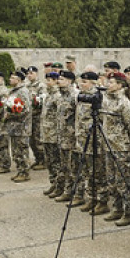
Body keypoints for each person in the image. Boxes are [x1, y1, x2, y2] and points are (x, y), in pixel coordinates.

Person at [102, 72, 130, 226]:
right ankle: (117, 208)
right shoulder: (108, 102)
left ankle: (129, 212)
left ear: (120, 85)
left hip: (122, 148)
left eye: (111, 82)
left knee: (124, 182)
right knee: (111, 181)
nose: (108, 85)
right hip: (109, 147)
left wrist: (125, 142)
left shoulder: (125, 104)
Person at [76, 71, 108, 213]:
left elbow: (102, 120)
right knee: (87, 172)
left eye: (85, 82)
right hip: (83, 141)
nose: (82, 84)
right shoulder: (83, 97)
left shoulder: (98, 97)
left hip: (95, 141)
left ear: (93, 83)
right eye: (81, 81)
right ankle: (91, 199)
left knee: (98, 172)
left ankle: (102, 201)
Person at [53, 71, 82, 204]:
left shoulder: (75, 96)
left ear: (70, 81)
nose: (58, 81)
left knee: (74, 168)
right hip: (62, 137)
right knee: (64, 166)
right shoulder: (60, 96)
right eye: (59, 78)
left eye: (62, 79)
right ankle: (66, 190)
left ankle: (77, 194)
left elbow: (79, 118)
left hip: (72, 139)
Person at [1, 71, 33, 182]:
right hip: (14, 127)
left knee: (22, 151)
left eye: (13, 78)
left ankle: (24, 172)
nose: (10, 79)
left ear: (18, 80)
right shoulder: (13, 91)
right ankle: (20, 170)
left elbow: (25, 110)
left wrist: (10, 114)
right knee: (16, 152)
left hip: (21, 127)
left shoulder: (23, 91)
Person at [40, 72, 63, 197]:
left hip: (54, 134)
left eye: (49, 80)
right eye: (46, 80)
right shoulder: (48, 95)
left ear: (55, 81)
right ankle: (53, 183)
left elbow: (60, 116)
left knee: (56, 162)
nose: (47, 82)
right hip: (46, 133)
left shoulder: (58, 96)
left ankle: (59, 186)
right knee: (49, 161)